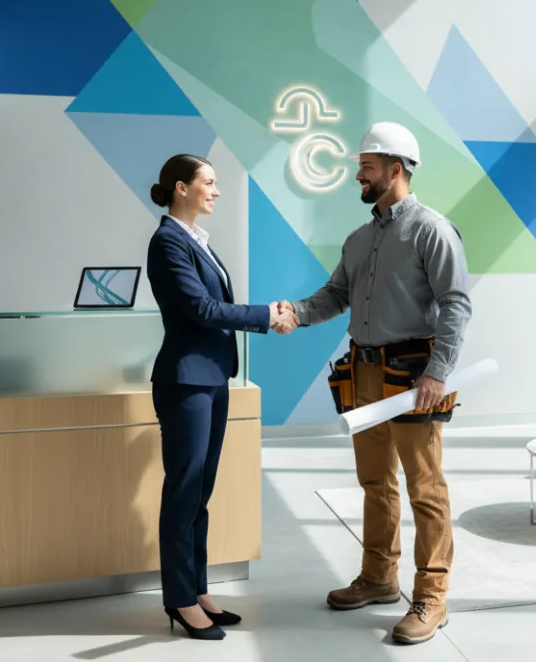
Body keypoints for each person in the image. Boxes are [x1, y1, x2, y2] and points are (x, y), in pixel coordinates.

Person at [274, 121, 472, 645]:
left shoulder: (432, 230)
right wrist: (294, 312)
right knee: (375, 483)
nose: (358, 174)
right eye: (360, 166)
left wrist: (438, 372)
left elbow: (456, 304)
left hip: (412, 375)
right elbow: (335, 295)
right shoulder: (359, 239)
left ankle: (432, 596)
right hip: (363, 372)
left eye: (366, 166)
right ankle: (379, 577)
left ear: (396, 168)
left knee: (424, 488)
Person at [146, 153, 294, 641]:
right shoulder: (168, 241)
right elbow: (199, 308)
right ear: (180, 188)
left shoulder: (196, 241)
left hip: (212, 379)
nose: (217, 190)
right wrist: (265, 314)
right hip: (186, 381)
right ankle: (180, 600)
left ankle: (199, 590)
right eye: (208, 182)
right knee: (184, 491)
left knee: (201, 493)